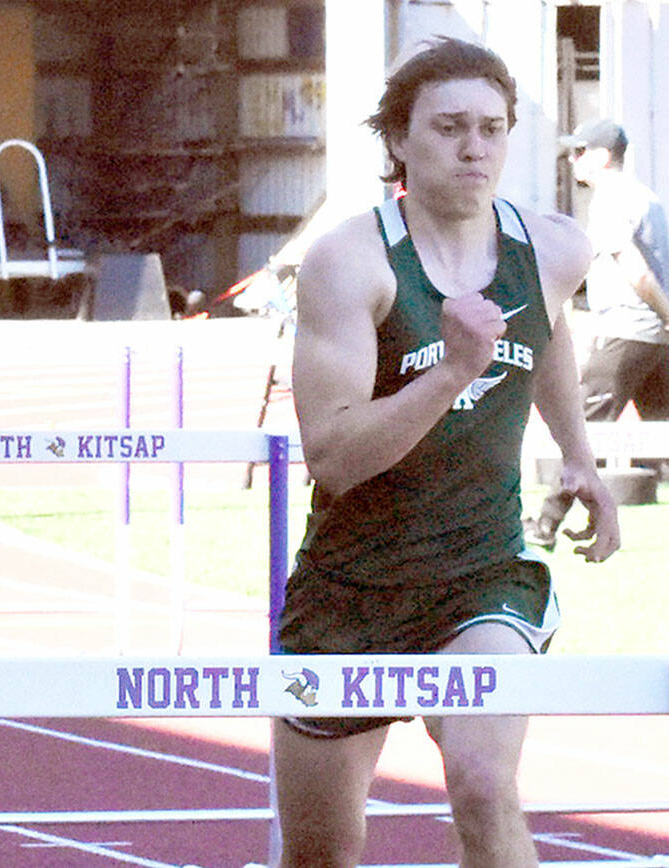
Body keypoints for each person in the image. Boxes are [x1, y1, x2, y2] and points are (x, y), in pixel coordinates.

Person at [275, 37, 619, 867]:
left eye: (493, 129)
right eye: (450, 127)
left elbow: (547, 328)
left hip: (482, 576)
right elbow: (333, 456)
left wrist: (578, 453)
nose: (475, 148)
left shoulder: (555, 248)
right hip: (350, 588)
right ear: (398, 140)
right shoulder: (349, 263)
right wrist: (456, 370)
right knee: (321, 850)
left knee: (483, 788)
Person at [525, 118, 669, 549]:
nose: (572, 159)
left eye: (579, 151)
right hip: (657, 338)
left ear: (603, 157)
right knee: (662, 429)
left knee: (579, 429)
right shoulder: (649, 199)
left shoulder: (612, 199)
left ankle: (545, 523)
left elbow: (635, 268)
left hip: (627, 333)